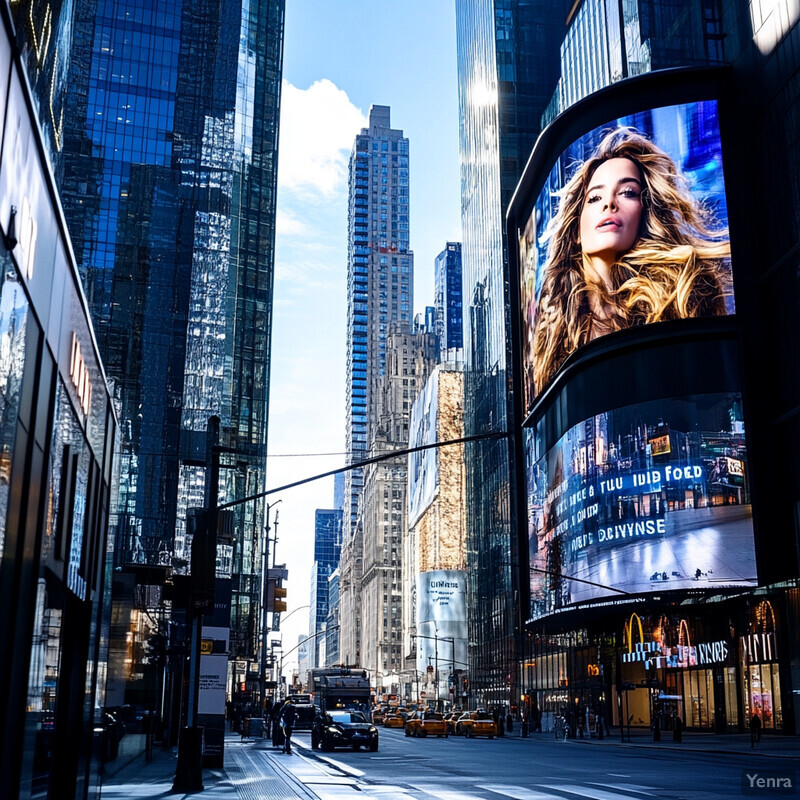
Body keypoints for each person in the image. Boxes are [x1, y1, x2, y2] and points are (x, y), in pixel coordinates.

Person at [531, 127, 731, 395]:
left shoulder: (685, 295)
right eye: (595, 198)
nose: (609, 204)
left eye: (627, 192)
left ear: (645, 213)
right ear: (576, 231)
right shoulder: (552, 333)